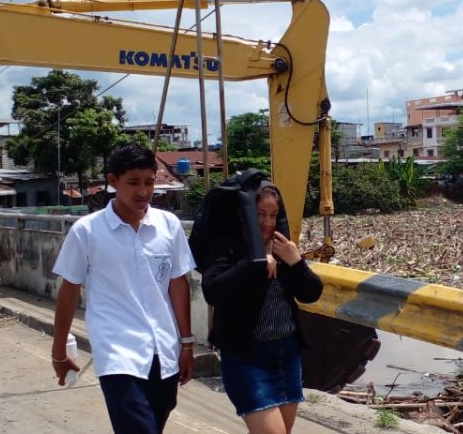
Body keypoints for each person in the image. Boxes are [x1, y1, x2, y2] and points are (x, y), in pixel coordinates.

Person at [50, 143, 195, 434]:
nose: (143, 192)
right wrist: (59, 351)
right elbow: (69, 290)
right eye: (133, 183)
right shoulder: (88, 231)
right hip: (118, 352)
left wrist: (187, 344)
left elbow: (178, 285)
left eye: (149, 182)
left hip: (163, 350)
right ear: (113, 181)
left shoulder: (168, 226)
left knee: (156, 420)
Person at [200, 182, 323, 434]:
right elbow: (212, 291)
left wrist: (296, 262)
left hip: (286, 356)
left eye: (273, 215)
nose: (268, 222)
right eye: (260, 214)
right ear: (244, 214)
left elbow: (312, 293)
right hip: (246, 358)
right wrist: (252, 264)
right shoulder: (229, 246)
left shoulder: (282, 248)